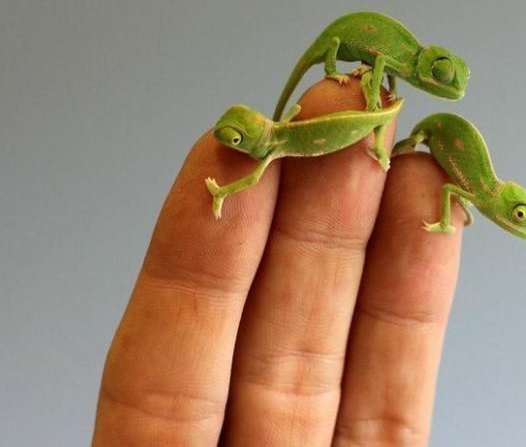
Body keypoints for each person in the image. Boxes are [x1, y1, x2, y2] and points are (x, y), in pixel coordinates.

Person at [92, 78, 467, 446]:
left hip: (349, 138)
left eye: (237, 139)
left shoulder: (273, 146)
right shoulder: (280, 131)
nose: (228, 143)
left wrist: (222, 193)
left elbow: (249, 181)